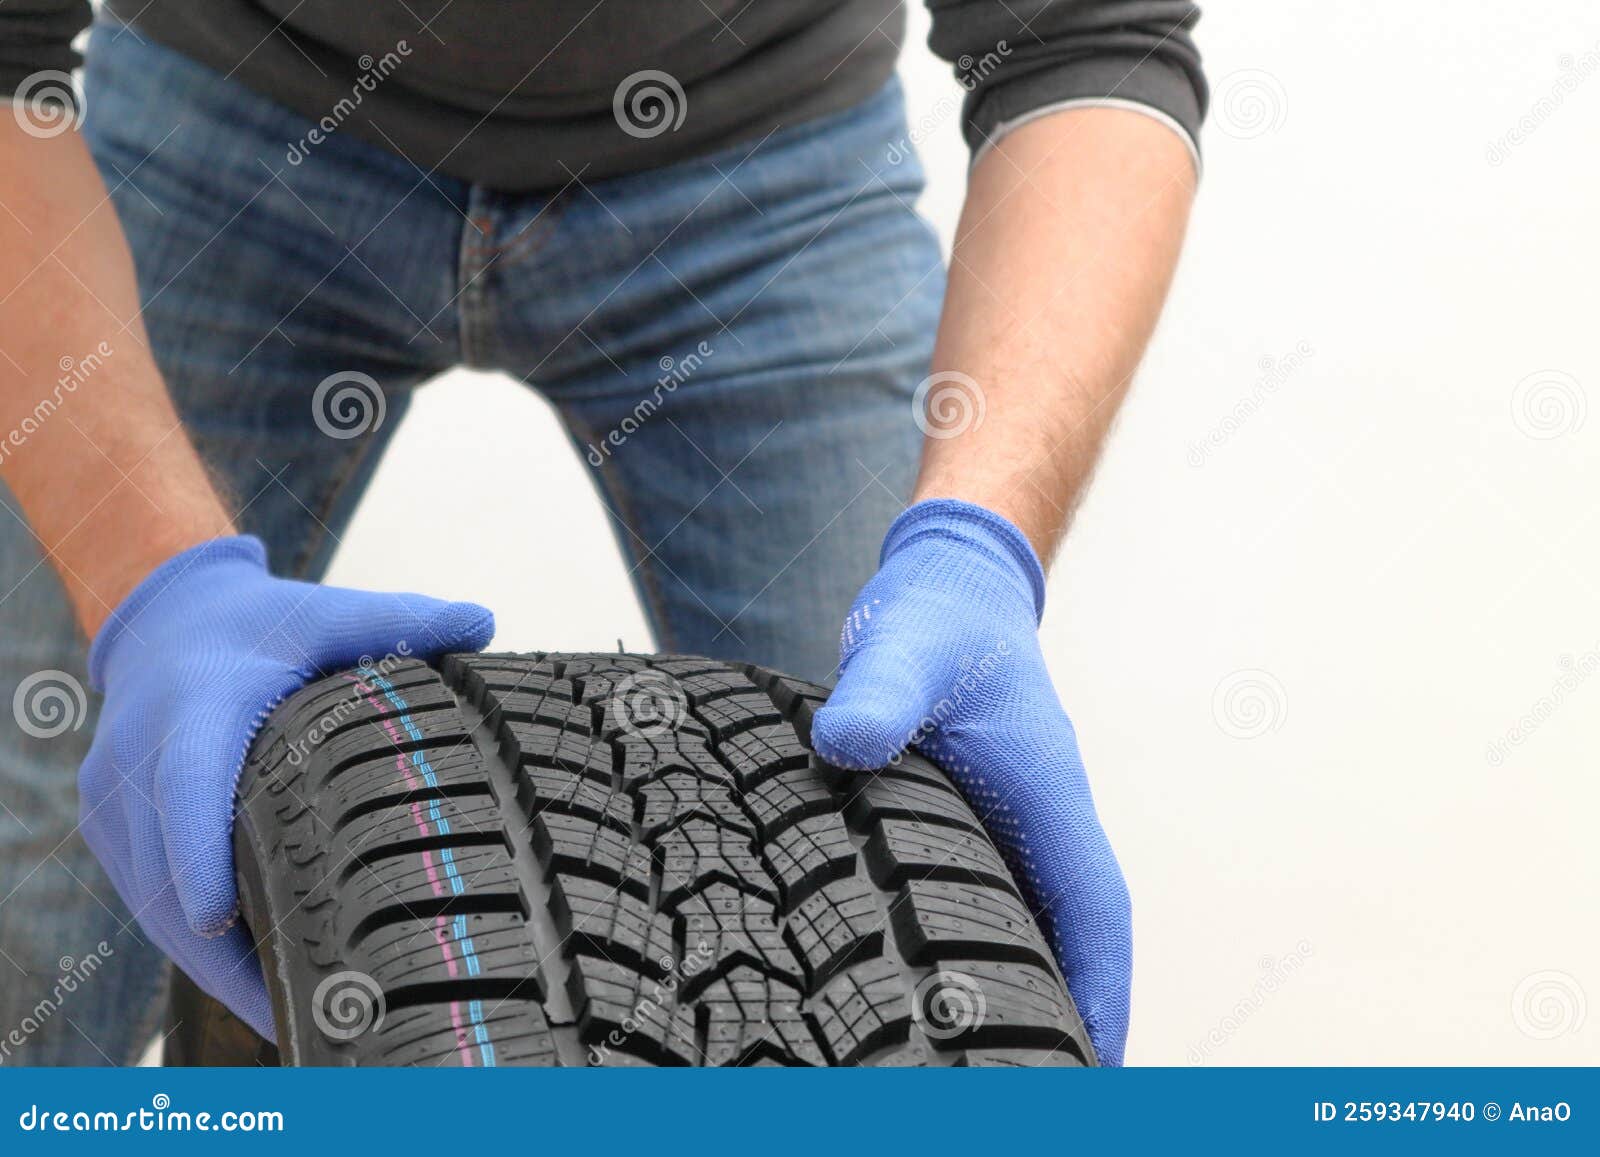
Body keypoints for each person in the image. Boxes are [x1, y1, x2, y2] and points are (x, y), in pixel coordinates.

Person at [0, 1, 1204, 1066]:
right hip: (234, 107)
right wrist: (147, 585)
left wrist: (977, 544)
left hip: (757, 156)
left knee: (892, 849)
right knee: (45, 876)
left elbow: (1088, 41)